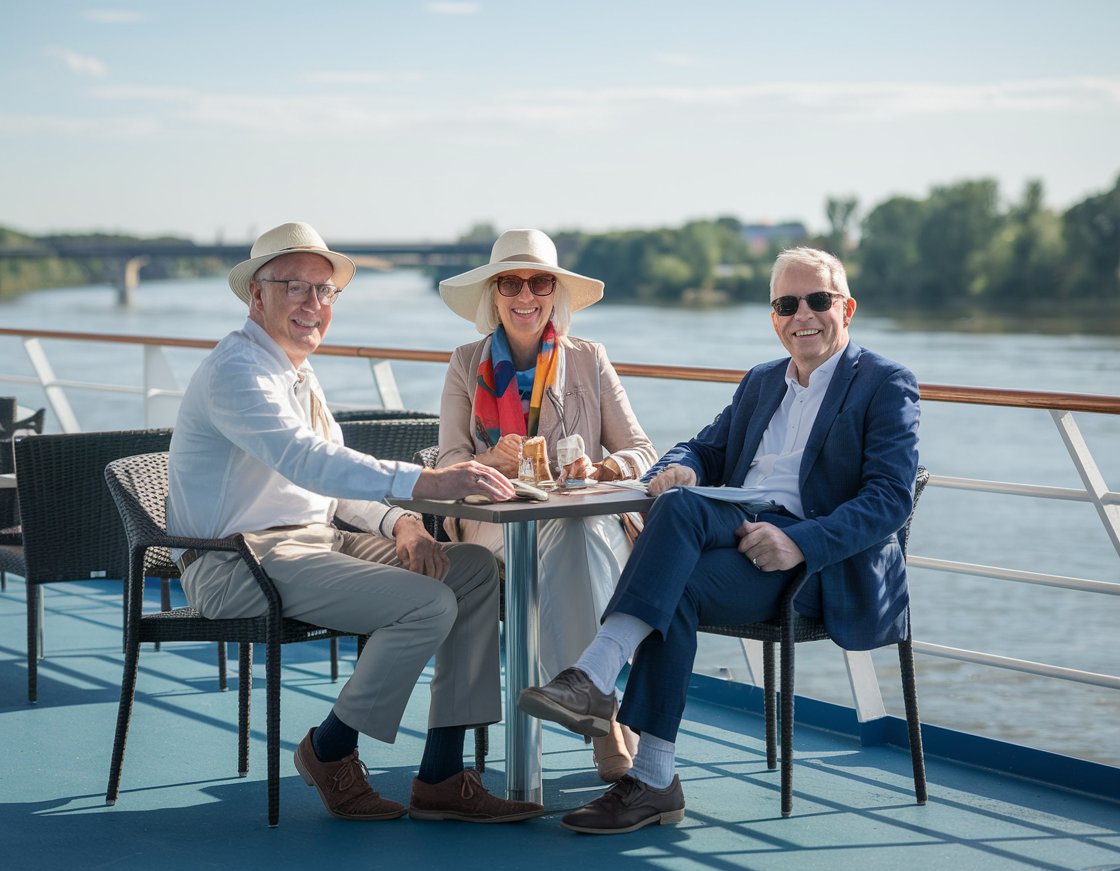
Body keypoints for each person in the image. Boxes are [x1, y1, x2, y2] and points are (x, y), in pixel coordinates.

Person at [518, 246, 921, 834]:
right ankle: (646, 767)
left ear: (847, 308)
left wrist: (801, 543)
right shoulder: (762, 381)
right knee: (678, 507)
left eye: (818, 300)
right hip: (742, 535)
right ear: (774, 316)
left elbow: (890, 498)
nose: (802, 314)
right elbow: (705, 447)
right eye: (787, 303)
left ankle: (601, 692)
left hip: (812, 565)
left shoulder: (884, 383)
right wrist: (680, 465)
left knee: (674, 571)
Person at [167, 222, 544, 824]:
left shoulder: (297, 373)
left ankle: (442, 775)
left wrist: (403, 524)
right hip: (240, 560)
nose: (313, 304)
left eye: (324, 292)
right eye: (295, 287)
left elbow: (336, 485)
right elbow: (306, 460)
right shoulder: (236, 372)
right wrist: (428, 484)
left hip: (317, 542)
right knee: (426, 605)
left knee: (471, 569)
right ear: (254, 296)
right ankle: (331, 749)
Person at [437, 229, 658, 781]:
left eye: (538, 282)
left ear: (554, 292)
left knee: (575, 534)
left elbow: (642, 451)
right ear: (494, 295)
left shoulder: (590, 359)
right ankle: (606, 718)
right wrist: (493, 459)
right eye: (511, 282)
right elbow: (446, 466)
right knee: (567, 538)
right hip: (494, 524)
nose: (525, 295)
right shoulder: (465, 363)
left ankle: (587, 697)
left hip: (582, 523)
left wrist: (603, 467)